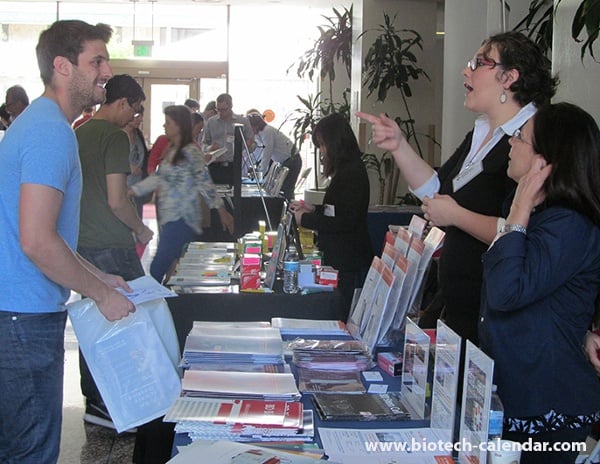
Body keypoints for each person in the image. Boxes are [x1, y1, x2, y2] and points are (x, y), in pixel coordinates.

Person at [358, 31, 558, 344]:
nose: (466, 71)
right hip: (461, 304)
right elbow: (438, 194)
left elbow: (527, 233)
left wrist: (456, 215)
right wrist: (398, 145)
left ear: (509, 77)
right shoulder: (481, 133)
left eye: (479, 63)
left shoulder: (531, 140)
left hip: (497, 311)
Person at [0, 20, 135, 463]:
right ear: (62, 66)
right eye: (96, 61)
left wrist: (99, 275)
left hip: (19, 315)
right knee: (30, 453)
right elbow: (37, 242)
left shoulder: (41, 124)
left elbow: (45, 235)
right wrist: (99, 294)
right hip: (23, 319)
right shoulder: (49, 131)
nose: (106, 70)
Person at [479, 102, 600, 464]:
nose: (511, 142)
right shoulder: (547, 218)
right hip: (522, 396)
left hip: (548, 405)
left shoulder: (568, 226)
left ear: (546, 162)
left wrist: (519, 209)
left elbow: (506, 291)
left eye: (521, 137)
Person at [75, 73, 153, 429]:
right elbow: (117, 200)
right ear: (122, 103)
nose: (135, 119)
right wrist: (140, 228)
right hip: (113, 243)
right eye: (135, 111)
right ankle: (123, 402)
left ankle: (95, 400)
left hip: (82, 245)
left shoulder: (79, 132)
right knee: (131, 319)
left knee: (94, 321)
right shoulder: (114, 138)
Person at [129, 105, 234, 284]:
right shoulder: (172, 149)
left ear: (179, 126)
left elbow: (205, 183)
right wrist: (133, 190)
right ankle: (171, 300)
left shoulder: (190, 151)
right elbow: (159, 178)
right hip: (170, 216)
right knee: (172, 263)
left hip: (182, 218)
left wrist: (222, 211)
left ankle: (157, 302)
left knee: (157, 266)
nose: (165, 126)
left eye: (168, 123)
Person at [289, 113, 373, 319]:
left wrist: (305, 220)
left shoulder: (352, 173)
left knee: (341, 312)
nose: (322, 151)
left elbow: (344, 221)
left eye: (323, 144)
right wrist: (314, 209)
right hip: (341, 255)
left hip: (348, 259)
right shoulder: (346, 169)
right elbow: (336, 209)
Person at [201, 93, 255, 185]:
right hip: (215, 165)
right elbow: (203, 144)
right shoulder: (211, 122)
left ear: (231, 106)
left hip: (234, 165)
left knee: (234, 195)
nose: (221, 113)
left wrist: (248, 145)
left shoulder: (243, 121)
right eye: (218, 110)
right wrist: (209, 148)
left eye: (224, 110)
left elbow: (253, 145)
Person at [247, 112, 302, 200]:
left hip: (292, 160)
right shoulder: (259, 134)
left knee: (286, 190)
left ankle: (289, 210)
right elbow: (258, 153)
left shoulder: (267, 132)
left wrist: (260, 175)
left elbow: (266, 154)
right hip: (285, 160)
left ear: (256, 126)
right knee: (284, 190)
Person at [125, 105, 150, 218]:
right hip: (122, 187)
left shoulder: (138, 134)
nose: (139, 119)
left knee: (139, 217)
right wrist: (127, 166)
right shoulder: (117, 135)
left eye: (141, 116)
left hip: (139, 188)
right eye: (136, 116)